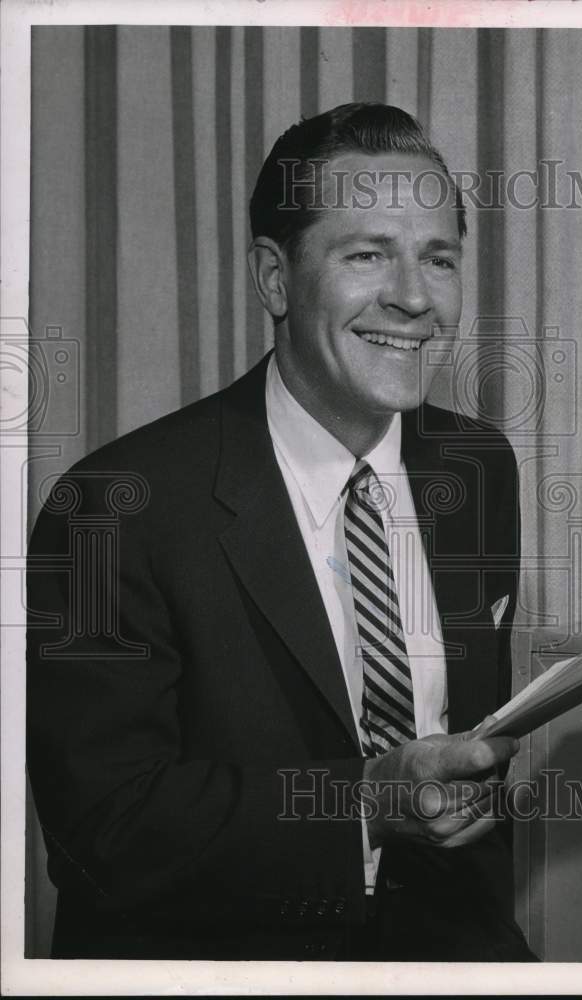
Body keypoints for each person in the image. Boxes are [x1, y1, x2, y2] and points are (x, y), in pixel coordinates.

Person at [26, 103, 535, 961]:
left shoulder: (479, 466)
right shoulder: (111, 506)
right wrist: (370, 801)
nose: (413, 298)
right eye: (366, 254)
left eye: (437, 258)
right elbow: (102, 831)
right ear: (273, 277)